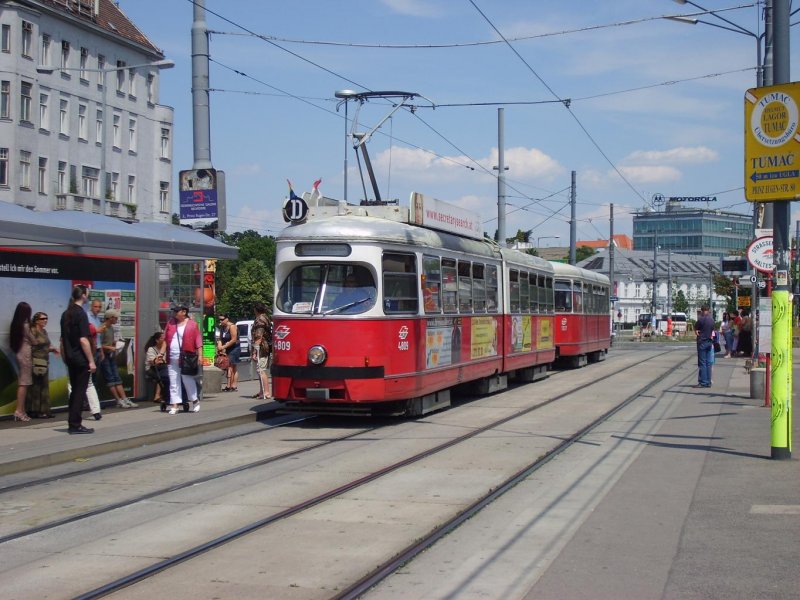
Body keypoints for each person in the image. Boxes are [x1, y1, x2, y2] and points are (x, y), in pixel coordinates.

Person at [60, 285, 96, 434]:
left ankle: (72, 422)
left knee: (75, 391)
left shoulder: (66, 313)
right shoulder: (81, 314)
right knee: (80, 392)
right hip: (80, 358)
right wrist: (91, 360)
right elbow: (83, 340)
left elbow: (63, 340)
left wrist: (65, 356)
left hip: (70, 357)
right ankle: (75, 425)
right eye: (87, 294)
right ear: (83, 296)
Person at [164, 304, 203, 414]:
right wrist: (161, 354)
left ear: (184, 312)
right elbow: (165, 339)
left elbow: (198, 341)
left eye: (177, 311)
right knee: (173, 381)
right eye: (174, 311)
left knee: (187, 379)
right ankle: (174, 405)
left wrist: (200, 355)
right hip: (172, 356)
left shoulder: (192, 325)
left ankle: (195, 400)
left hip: (186, 356)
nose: (174, 313)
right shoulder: (171, 323)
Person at [99, 309, 137, 408]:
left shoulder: (111, 328)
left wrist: (115, 344)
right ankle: (118, 400)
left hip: (111, 355)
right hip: (104, 356)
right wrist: (109, 347)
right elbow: (98, 344)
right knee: (111, 379)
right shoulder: (102, 328)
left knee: (117, 377)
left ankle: (124, 399)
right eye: (115, 317)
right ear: (110, 317)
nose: (117, 319)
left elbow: (108, 342)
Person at [28, 312, 59, 418]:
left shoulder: (44, 331)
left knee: (44, 386)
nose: (45, 320)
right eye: (43, 318)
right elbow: (31, 346)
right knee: (36, 386)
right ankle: (35, 410)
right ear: (37, 320)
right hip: (36, 360)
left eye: (46, 318)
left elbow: (45, 345)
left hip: (44, 360)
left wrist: (52, 349)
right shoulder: (33, 331)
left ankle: (44, 410)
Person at [9, 302, 35, 422]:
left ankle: (22, 410)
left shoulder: (15, 324)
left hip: (19, 353)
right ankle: (19, 411)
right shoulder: (25, 326)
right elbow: (34, 341)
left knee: (23, 382)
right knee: (24, 383)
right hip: (25, 355)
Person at [250, 301, 272, 400]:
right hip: (265, 346)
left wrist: (255, 351)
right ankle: (262, 391)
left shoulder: (260, 319)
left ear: (255, 309)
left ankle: (266, 392)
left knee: (261, 370)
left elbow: (259, 336)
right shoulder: (266, 317)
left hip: (262, 347)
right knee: (260, 369)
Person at [216, 313, 240, 392]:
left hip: (234, 348)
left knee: (231, 366)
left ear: (227, 319)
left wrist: (223, 347)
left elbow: (233, 339)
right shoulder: (222, 327)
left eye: (222, 319)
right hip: (228, 348)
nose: (221, 321)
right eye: (220, 319)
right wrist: (219, 346)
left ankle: (230, 385)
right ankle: (232, 385)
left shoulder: (232, 326)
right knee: (230, 366)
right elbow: (220, 338)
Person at [144, 331, 168, 403]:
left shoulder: (165, 349)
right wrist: (161, 361)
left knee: (164, 373)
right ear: (157, 340)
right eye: (162, 338)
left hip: (162, 368)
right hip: (151, 369)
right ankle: (157, 396)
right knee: (161, 376)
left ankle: (166, 395)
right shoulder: (151, 349)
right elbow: (153, 362)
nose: (164, 339)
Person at [694, 304, 714, 388]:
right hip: (709, 342)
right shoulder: (712, 320)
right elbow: (712, 330)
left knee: (702, 363)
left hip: (702, 341)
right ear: (708, 310)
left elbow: (696, 329)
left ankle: (703, 382)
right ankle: (708, 381)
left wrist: (697, 332)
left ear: (702, 311)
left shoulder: (701, 320)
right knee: (708, 363)